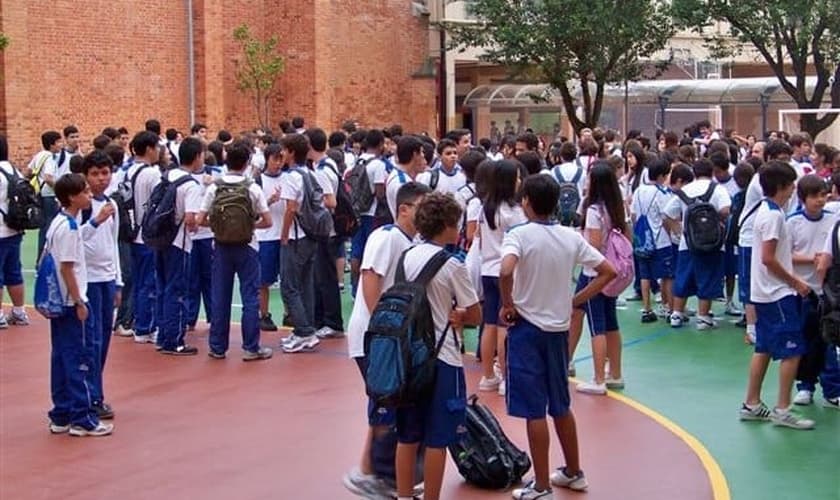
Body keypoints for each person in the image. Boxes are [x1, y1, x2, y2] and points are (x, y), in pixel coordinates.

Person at [500, 174, 616, 499]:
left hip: (527, 330)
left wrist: (508, 304)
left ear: (526, 203)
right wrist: (575, 300)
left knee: (534, 410)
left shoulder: (518, 235)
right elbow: (609, 270)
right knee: (561, 404)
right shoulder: (570, 236)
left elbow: (506, 269)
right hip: (558, 330)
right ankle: (574, 471)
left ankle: (541, 485)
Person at [342, 182, 431, 498]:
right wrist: (383, 328)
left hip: (390, 339)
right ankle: (382, 474)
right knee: (389, 403)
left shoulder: (410, 241)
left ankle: (368, 470)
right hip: (376, 338)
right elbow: (370, 279)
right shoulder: (386, 237)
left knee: (385, 401)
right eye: (421, 206)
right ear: (404, 209)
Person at [394, 192, 481, 500]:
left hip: (409, 356)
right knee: (437, 438)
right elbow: (474, 314)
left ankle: (404, 495)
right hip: (442, 357)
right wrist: (458, 315)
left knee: (407, 435)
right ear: (445, 225)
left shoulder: (406, 256)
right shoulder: (452, 264)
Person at [740, 161, 814, 430]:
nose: (794, 189)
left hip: (764, 292)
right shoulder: (773, 216)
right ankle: (783, 408)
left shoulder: (767, 211)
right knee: (792, 351)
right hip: (776, 293)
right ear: (781, 187)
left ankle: (751, 403)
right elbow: (769, 258)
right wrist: (795, 283)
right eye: (791, 184)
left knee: (765, 348)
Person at [46, 173, 113, 437]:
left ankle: (61, 412)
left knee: (61, 356)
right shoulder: (70, 228)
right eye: (85, 192)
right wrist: (79, 301)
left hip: (58, 301)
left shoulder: (59, 222)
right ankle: (82, 417)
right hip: (71, 301)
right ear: (73, 197)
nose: (89, 195)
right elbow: (67, 268)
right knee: (80, 358)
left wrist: (95, 222)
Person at [198, 140, 274, 361]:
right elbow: (268, 221)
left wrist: (217, 226)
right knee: (250, 296)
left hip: (221, 246)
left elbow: (200, 219)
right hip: (247, 246)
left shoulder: (215, 187)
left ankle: (217, 347)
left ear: (226, 160)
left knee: (220, 296)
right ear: (248, 163)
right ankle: (251, 347)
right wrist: (250, 225)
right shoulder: (252, 188)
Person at [569, 163, 630, 395]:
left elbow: (593, 246)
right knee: (609, 322)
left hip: (594, 273)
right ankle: (614, 373)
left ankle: (597, 378)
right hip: (611, 273)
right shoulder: (615, 208)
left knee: (597, 327)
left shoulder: (593, 210)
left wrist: (577, 240)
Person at [476, 160, 527, 396]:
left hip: (487, 269)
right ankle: (507, 377)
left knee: (489, 324)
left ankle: (488, 375)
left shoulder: (485, 208)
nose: (519, 181)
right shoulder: (515, 213)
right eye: (516, 178)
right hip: (508, 272)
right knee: (506, 325)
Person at [79, 151, 123, 419]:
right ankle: (91, 395)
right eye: (95, 174)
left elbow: (113, 245)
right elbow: (76, 239)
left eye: (105, 173)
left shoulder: (112, 205)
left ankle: (96, 392)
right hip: (88, 282)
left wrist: (118, 281)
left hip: (107, 280)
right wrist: (95, 221)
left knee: (104, 339)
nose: (101, 179)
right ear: (85, 177)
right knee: (91, 341)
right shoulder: (83, 208)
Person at [664, 159, 731, 330]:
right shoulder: (718, 189)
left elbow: (667, 214)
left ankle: (677, 314)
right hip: (712, 243)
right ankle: (703, 317)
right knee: (707, 278)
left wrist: (680, 232)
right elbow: (725, 210)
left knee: (683, 277)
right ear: (712, 172)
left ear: (694, 173)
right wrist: (715, 221)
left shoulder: (684, 190)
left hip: (688, 242)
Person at [154, 138, 204, 356]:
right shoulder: (190, 184)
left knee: (163, 287)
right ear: (196, 157)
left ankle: (163, 334)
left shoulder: (167, 175)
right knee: (178, 290)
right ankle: (175, 340)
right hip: (179, 242)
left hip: (161, 238)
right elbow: (191, 219)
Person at [787, 176, 835, 406]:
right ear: (803, 198)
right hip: (802, 290)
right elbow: (784, 255)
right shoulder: (792, 222)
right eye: (815, 196)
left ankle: (832, 388)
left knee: (828, 340)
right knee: (804, 340)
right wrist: (811, 259)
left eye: (824, 195)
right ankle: (805, 386)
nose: (820, 200)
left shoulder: (833, 220)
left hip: (828, 293)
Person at [279, 134, 322, 353]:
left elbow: (291, 208)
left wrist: (284, 235)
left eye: (284, 150)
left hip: (296, 236)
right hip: (311, 234)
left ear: (292, 152)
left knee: (289, 286)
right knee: (305, 284)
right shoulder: (310, 173)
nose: (282, 154)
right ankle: (305, 329)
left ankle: (304, 331)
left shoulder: (291, 177)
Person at [126, 131, 164, 344]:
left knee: (139, 282)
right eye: (157, 147)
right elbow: (158, 204)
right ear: (149, 149)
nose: (159, 151)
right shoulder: (152, 174)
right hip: (148, 235)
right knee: (150, 283)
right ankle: (145, 327)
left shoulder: (125, 171)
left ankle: (138, 322)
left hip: (131, 233)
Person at [631, 159, 674, 322]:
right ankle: (669, 309)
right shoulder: (663, 193)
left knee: (645, 275)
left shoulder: (639, 191)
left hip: (642, 240)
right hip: (660, 240)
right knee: (667, 276)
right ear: (662, 175)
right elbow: (666, 217)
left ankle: (647, 309)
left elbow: (634, 215)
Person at [256, 143, 285, 331]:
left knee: (289, 280)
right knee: (263, 281)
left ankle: (289, 313)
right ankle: (264, 314)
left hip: (284, 234)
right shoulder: (258, 181)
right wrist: (269, 201)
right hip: (265, 236)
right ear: (267, 159)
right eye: (275, 159)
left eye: (281, 159)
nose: (279, 163)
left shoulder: (289, 178)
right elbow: (254, 210)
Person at [0, 136, 29, 328]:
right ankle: (19, 311)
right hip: (14, 228)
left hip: (0, 229)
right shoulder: (13, 170)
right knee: (14, 271)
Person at [30, 130, 63, 259]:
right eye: (59, 142)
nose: (61, 145)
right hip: (49, 196)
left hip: (40, 194)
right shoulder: (49, 158)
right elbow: (49, 178)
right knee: (49, 228)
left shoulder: (39, 155)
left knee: (44, 227)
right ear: (52, 144)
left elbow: (28, 171)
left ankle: (41, 258)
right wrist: (60, 189)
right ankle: (44, 259)